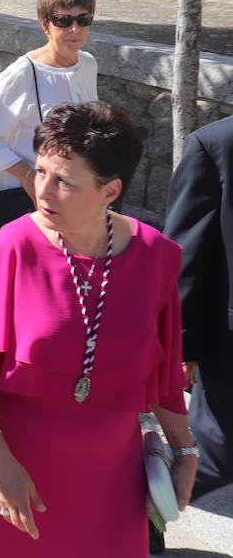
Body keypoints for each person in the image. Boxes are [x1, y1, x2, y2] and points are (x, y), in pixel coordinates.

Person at [0, 102, 196, 555]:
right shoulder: (14, 245)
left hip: (109, 486)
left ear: (109, 190)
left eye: (64, 182)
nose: (43, 191)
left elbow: (164, 375)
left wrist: (185, 451)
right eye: (40, 172)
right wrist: (1, 465)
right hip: (12, 478)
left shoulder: (157, 256)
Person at [0, 0, 99, 231]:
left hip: (75, 193)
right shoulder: (24, 72)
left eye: (83, 19)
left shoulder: (87, 64)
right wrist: (29, 178)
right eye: (63, 20)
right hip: (29, 199)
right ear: (45, 24)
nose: (75, 28)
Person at [168, 114, 233, 500]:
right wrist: (182, 346)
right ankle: (141, 510)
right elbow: (187, 255)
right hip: (228, 340)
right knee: (217, 452)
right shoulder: (215, 144)